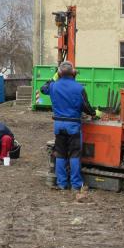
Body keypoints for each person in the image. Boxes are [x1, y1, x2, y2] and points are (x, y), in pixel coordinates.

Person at [40, 61, 100, 191]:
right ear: (73, 73)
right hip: (73, 125)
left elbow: (43, 89)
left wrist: (55, 76)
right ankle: (76, 185)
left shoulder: (53, 86)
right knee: (74, 155)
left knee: (60, 153)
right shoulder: (79, 88)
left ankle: (61, 184)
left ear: (59, 73)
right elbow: (86, 107)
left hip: (58, 125)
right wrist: (95, 113)